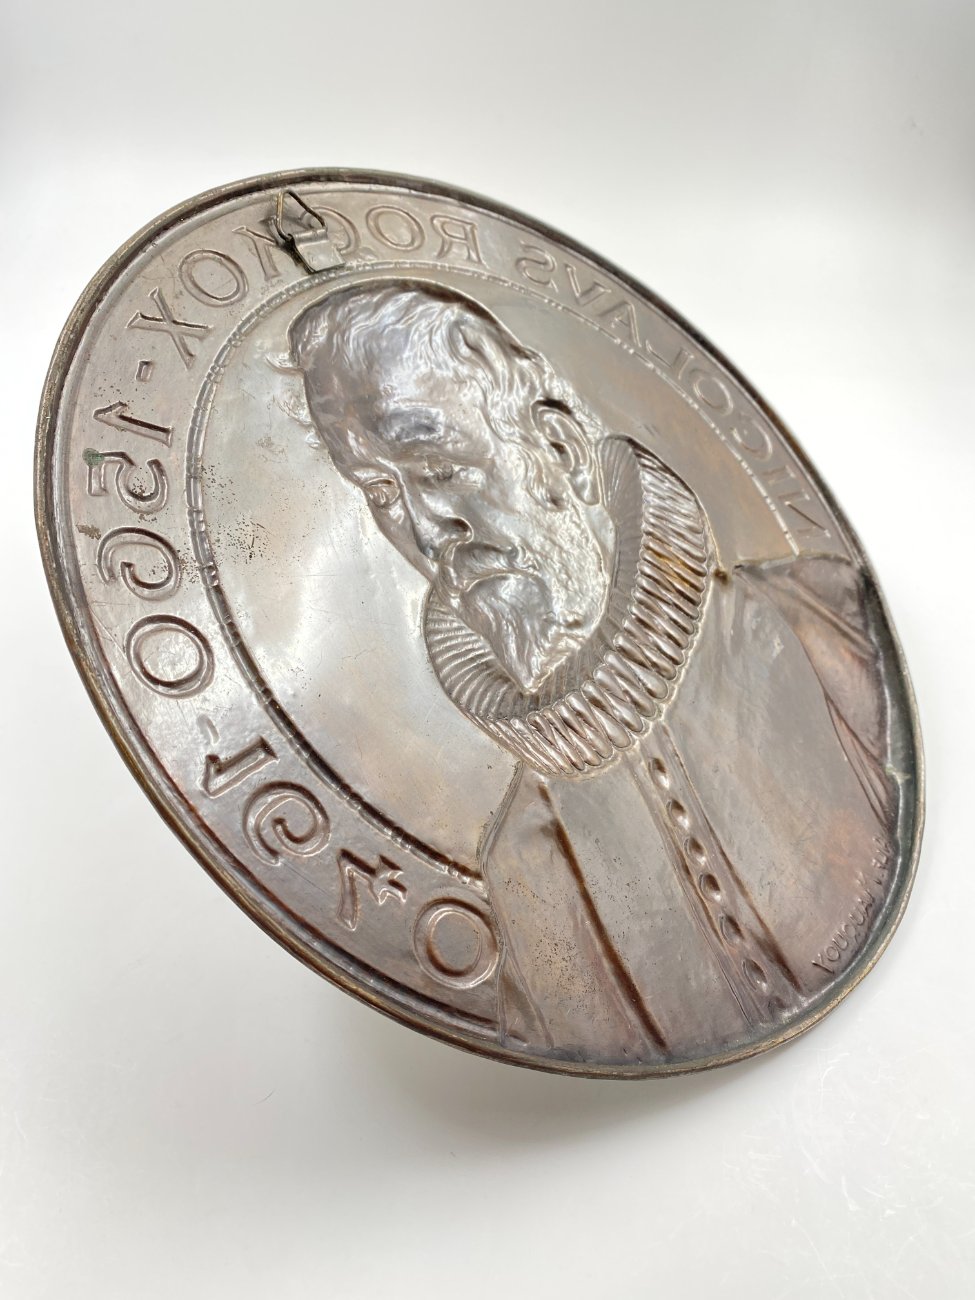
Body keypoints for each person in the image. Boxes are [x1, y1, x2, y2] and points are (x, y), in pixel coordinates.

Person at [289, 280, 896, 1067]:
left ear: (562, 452)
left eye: (434, 463)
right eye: (380, 491)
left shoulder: (827, 619)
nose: (428, 532)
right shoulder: (521, 866)